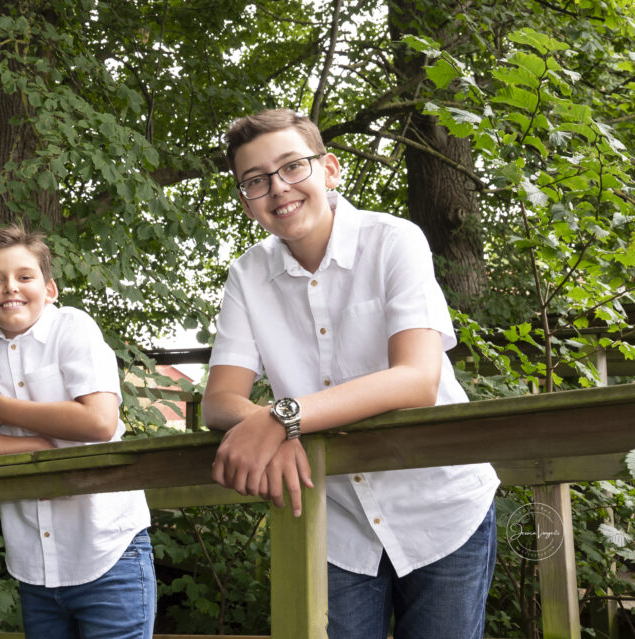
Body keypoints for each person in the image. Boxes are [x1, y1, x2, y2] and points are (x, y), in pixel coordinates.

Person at [202, 109, 499, 639]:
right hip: (334, 520)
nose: (278, 187)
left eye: (292, 166)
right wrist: (278, 429)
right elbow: (219, 400)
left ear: (330, 169)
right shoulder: (247, 275)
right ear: (246, 201)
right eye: (256, 180)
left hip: (441, 507)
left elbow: (416, 379)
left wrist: (282, 418)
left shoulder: (394, 240)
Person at [0, 224, 155, 639]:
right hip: (34, 562)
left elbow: (99, 421)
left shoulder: (73, 327)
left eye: (24, 276)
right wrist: (31, 447)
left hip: (108, 549)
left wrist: (1, 408)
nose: (10, 287)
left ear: (49, 289)